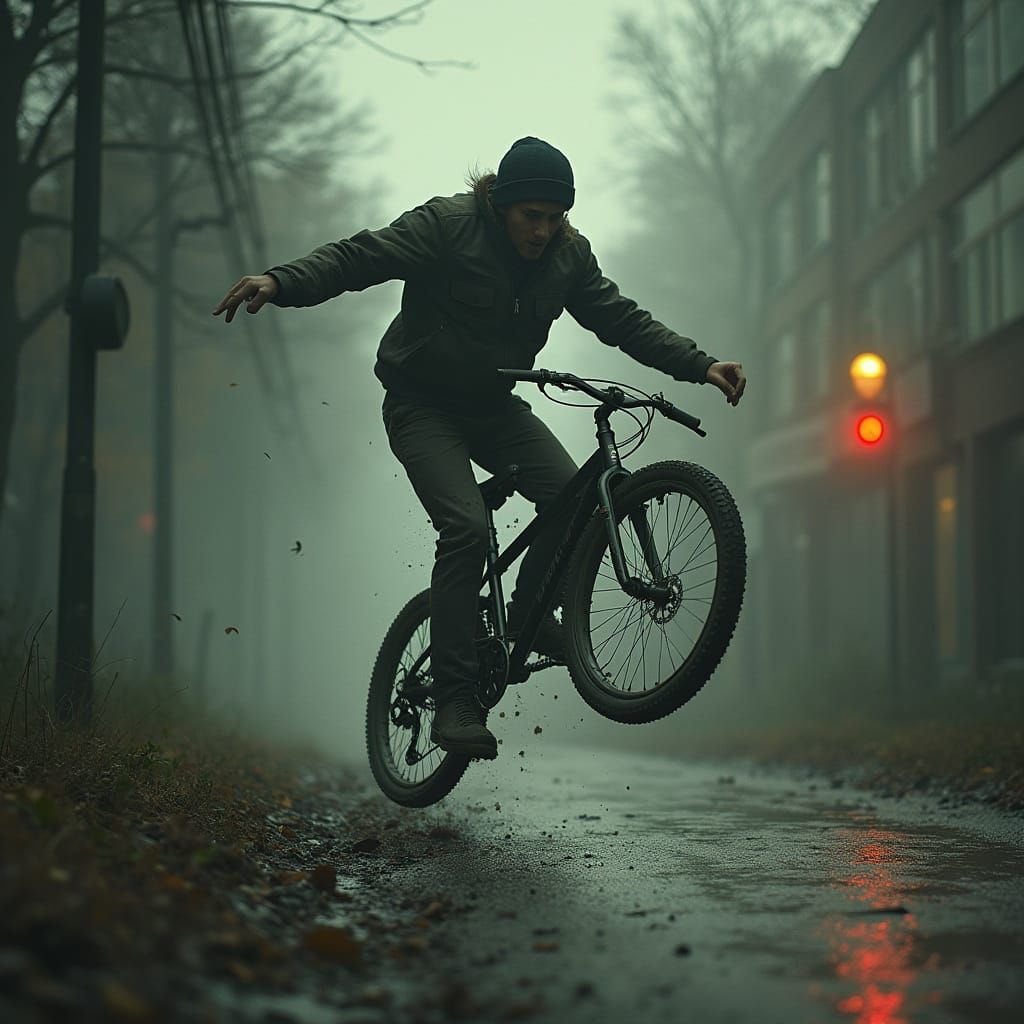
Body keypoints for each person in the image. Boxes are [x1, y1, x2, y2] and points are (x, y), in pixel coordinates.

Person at [212, 136, 746, 761]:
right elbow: (363, 256)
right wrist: (282, 280)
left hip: (496, 409)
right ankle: (455, 697)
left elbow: (623, 320)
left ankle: (524, 616)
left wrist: (701, 364)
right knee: (466, 528)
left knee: (578, 500)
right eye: (531, 217)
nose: (543, 232)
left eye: (555, 218)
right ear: (501, 204)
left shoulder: (568, 258)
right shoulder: (448, 226)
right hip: (422, 406)